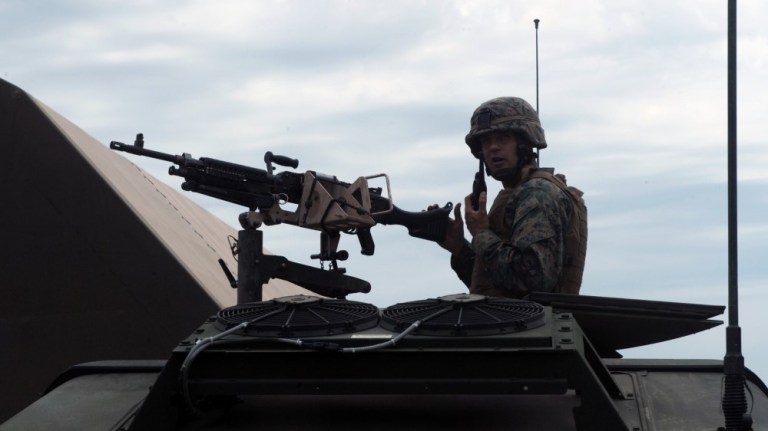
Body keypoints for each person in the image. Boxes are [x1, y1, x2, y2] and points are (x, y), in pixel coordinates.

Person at [439, 96, 587, 298]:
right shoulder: (519, 193)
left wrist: (481, 234)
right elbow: (496, 286)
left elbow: (531, 281)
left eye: (503, 138)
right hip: (512, 325)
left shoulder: (538, 193)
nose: (492, 147)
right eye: (486, 141)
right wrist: (458, 247)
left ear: (525, 143)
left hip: (531, 327)